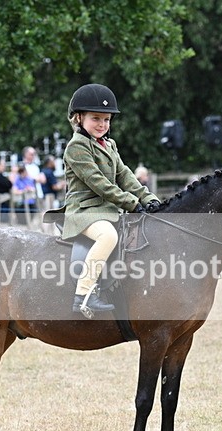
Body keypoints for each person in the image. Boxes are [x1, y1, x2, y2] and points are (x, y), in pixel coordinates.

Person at [62, 83, 160, 317]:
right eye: (96, 118)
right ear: (78, 118)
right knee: (108, 235)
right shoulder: (76, 147)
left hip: (107, 210)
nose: (102, 125)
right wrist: (132, 203)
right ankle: (83, 295)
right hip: (84, 211)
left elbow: (125, 175)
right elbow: (100, 184)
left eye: (106, 120)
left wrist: (149, 198)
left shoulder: (109, 144)